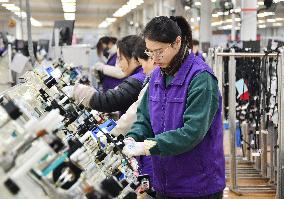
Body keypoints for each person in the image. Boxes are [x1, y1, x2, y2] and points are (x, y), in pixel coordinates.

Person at [122, 16, 225, 199]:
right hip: (164, 182)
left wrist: (147, 146)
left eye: (159, 51)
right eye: (150, 52)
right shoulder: (157, 77)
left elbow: (191, 133)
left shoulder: (201, 79)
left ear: (177, 42)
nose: (155, 58)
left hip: (198, 186)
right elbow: (144, 118)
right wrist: (132, 138)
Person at [72, 35, 146, 114]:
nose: (119, 64)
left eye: (120, 59)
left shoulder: (138, 79)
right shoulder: (138, 75)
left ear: (134, 57)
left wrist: (77, 91)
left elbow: (108, 101)